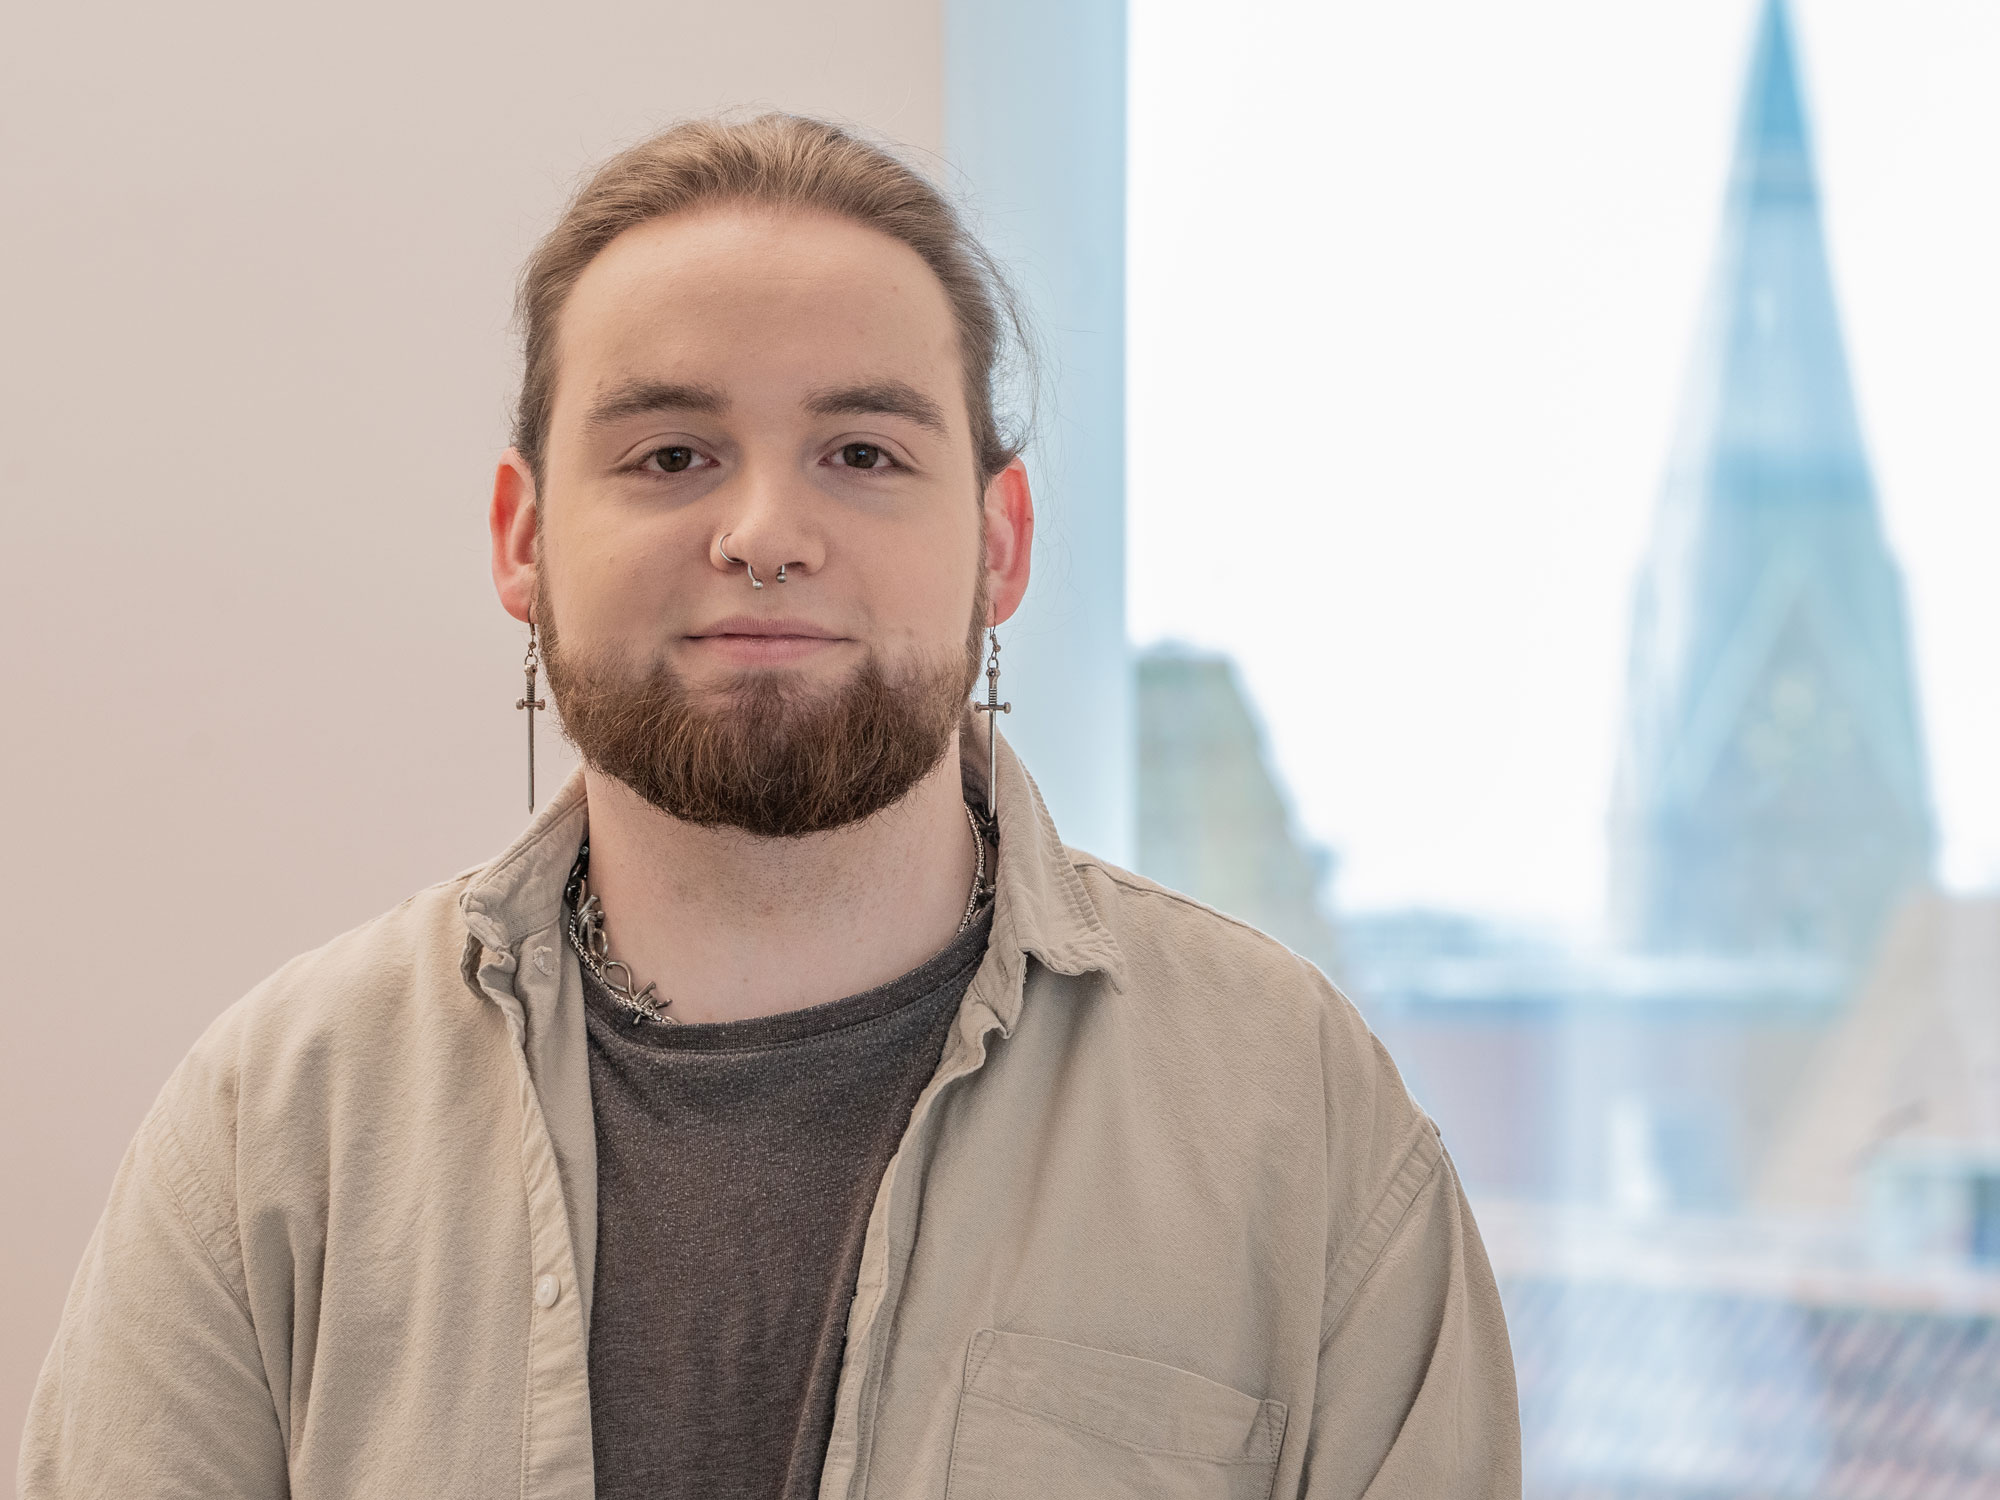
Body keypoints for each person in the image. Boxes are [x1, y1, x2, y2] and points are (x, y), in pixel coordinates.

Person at [19, 114, 1519, 1499]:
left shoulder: (1294, 1117)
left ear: (999, 542)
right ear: (524, 538)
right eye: (672, 456)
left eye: (862, 454)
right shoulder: (274, 1126)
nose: (764, 533)